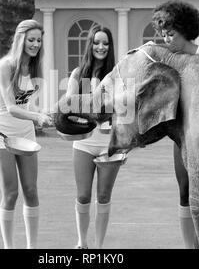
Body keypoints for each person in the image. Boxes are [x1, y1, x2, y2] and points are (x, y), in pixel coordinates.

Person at [152, 0, 199, 249]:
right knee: (184, 192)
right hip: (182, 137)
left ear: (185, 30)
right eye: (163, 35)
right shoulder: (168, 60)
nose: (166, 40)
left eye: (171, 34)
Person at [0, 19, 52, 249]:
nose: (35, 44)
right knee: (11, 193)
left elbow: (28, 105)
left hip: (25, 135)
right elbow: (12, 107)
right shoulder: (5, 66)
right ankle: (8, 247)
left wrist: (43, 114)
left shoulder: (35, 68)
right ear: (20, 39)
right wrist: (37, 119)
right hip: (1, 136)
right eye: (31, 39)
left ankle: (32, 247)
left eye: (38, 40)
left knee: (31, 190)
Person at [66, 25, 119, 249]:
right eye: (96, 42)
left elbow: (125, 110)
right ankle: (82, 242)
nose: (101, 47)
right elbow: (68, 103)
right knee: (84, 195)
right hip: (84, 142)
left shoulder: (117, 74)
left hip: (109, 144)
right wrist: (94, 107)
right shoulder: (78, 74)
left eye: (105, 43)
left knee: (104, 196)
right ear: (90, 44)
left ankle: (98, 247)